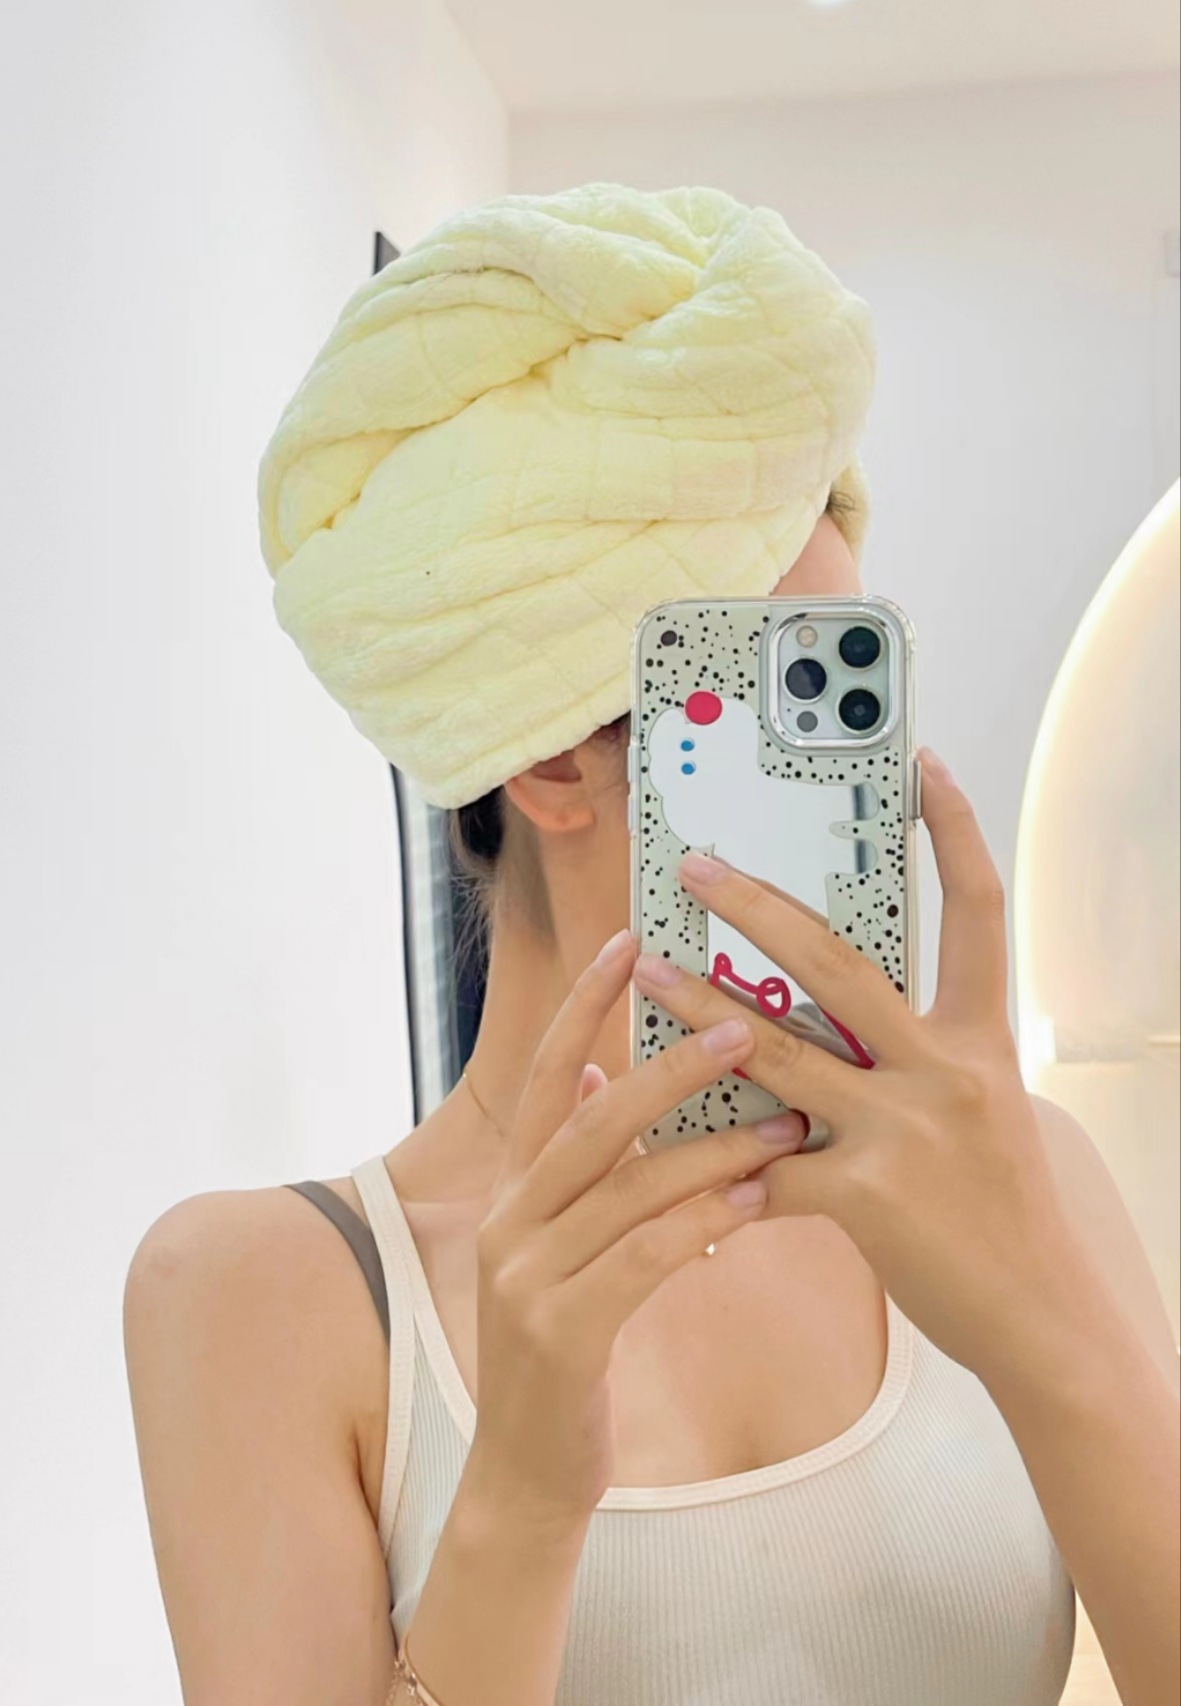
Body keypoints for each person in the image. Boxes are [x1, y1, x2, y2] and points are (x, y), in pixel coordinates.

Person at [125, 184, 1180, 1706]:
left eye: (858, 687)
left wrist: (1048, 1326)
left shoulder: (1028, 1182)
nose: (860, 788)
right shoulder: (266, 1294)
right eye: (778, 694)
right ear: (551, 759)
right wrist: (521, 1493)